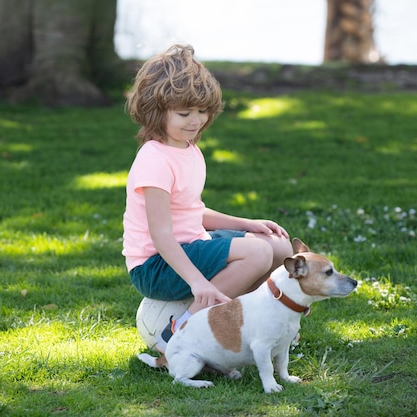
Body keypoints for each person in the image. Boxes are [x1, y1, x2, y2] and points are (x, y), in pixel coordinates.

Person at [122, 44, 293, 352]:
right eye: (184, 113)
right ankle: (179, 332)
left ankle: (249, 325)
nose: (196, 121)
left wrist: (248, 223)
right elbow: (161, 235)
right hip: (155, 265)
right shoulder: (155, 160)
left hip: (190, 244)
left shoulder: (188, 149)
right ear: (154, 110)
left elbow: (191, 211)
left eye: (202, 111)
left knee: (278, 245)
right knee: (257, 254)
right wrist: (198, 282)